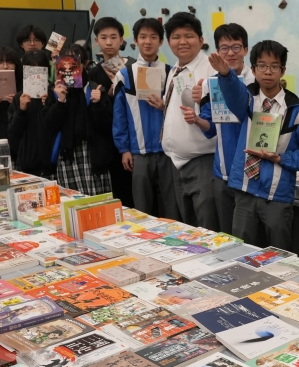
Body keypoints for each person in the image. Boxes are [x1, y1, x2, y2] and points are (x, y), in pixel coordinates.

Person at [206, 39, 299, 248]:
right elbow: (232, 92)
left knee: (278, 251)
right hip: (245, 190)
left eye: (274, 66)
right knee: (241, 249)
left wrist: (280, 158)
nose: (268, 71)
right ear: (253, 69)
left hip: (277, 195)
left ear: (283, 70)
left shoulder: (297, 110)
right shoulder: (247, 99)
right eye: (262, 66)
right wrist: (225, 74)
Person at [189, 23, 255, 234]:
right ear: (217, 51)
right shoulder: (210, 84)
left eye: (236, 47)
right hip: (222, 171)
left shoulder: (256, 82)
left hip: (250, 172)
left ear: (246, 50)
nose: (230, 53)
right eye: (224, 48)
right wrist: (196, 119)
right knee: (226, 233)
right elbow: (210, 129)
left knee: (249, 234)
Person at [162, 12, 219, 229]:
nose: (182, 42)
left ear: (201, 40)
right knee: (188, 228)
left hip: (203, 161)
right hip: (176, 163)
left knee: (207, 227)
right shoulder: (175, 70)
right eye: (176, 37)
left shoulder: (211, 70)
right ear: (169, 42)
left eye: (189, 36)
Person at [113, 18, 170, 215]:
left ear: (161, 41)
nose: (148, 41)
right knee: (142, 209)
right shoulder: (124, 75)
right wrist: (124, 149)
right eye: (143, 37)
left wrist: (164, 105)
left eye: (153, 37)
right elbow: (119, 115)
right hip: (138, 152)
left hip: (167, 152)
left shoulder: (170, 72)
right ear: (135, 41)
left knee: (171, 208)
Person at [47, 43, 110, 194]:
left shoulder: (96, 89)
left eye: (75, 62)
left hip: (93, 153)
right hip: (67, 153)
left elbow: (106, 126)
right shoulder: (55, 92)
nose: (69, 67)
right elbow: (49, 126)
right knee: (71, 200)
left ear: (84, 64)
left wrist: (97, 104)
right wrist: (60, 101)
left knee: (98, 201)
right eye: (65, 62)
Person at [86, 16, 135, 209]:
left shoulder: (133, 67)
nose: (108, 42)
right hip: (108, 144)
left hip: (135, 138)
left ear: (121, 40)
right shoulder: (93, 74)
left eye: (113, 37)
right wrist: (108, 96)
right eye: (103, 37)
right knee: (119, 194)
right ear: (96, 41)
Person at [8, 50, 57, 177]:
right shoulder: (19, 97)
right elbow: (13, 132)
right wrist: (21, 111)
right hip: (28, 161)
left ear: (47, 70)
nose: (36, 75)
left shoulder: (55, 94)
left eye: (40, 69)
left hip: (53, 162)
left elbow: (58, 124)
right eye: (31, 70)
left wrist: (49, 105)